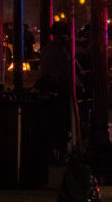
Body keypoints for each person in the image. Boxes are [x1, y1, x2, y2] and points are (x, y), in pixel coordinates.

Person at [36, 22, 71, 163]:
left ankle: (54, 151)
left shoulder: (50, 49)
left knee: (54, 122)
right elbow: (65, 70)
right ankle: (59, 152)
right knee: (60, 121)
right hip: (55, 88)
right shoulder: (57, 51)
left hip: (50, 87)